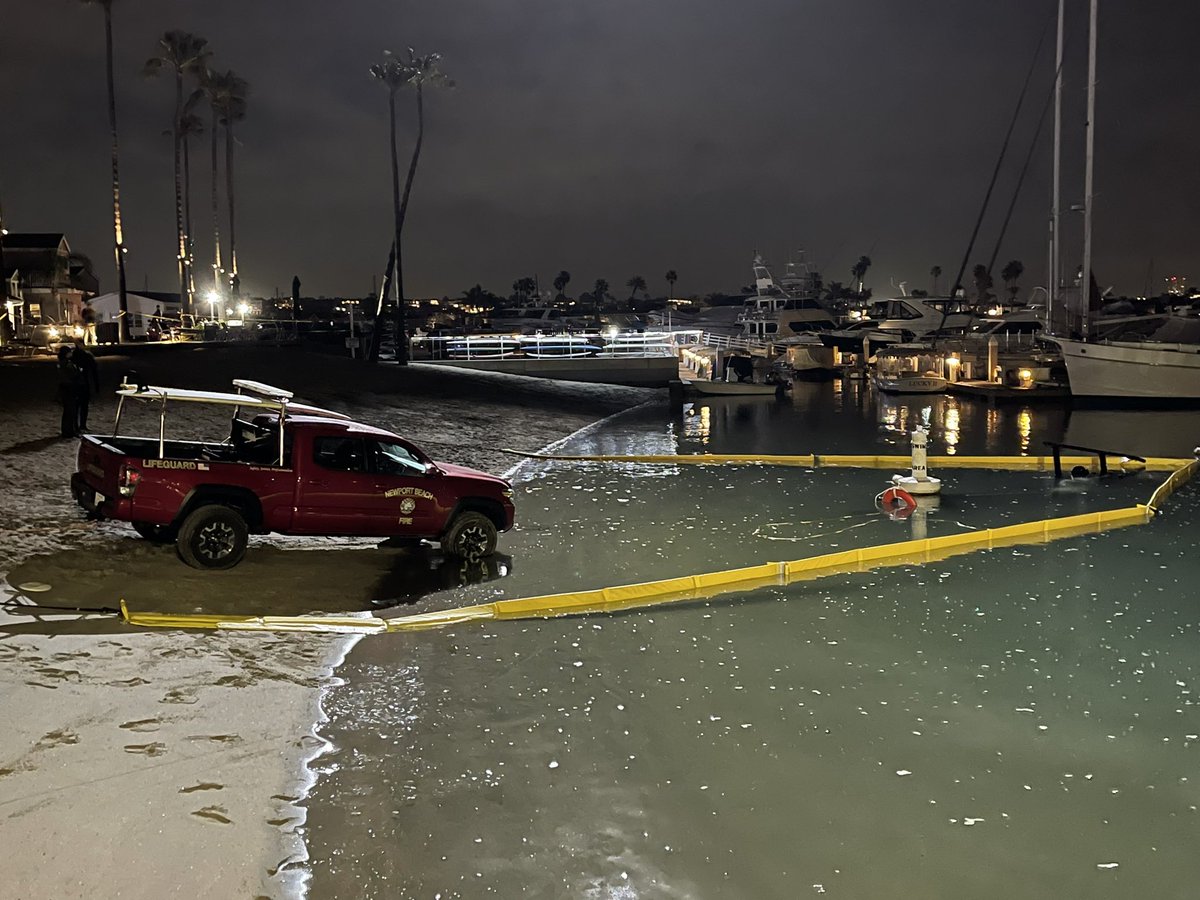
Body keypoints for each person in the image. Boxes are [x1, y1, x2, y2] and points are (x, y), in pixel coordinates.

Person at [71, 339, 100, 433]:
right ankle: (82, 425)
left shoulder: (73, 356)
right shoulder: (87, 356)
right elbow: (94, 371)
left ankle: (77, 426)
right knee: (83, 406)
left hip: (76, 383)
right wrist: (96, 385)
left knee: (78, 406)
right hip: (83, 383)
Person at [56, 345, 81, 438]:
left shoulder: (61, 363)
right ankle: (69, 431)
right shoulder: (66, 363)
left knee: (68, 410)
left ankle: (67, 430)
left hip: (65, 387)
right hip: (69, 387)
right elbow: (73, 374)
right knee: (70, 410)